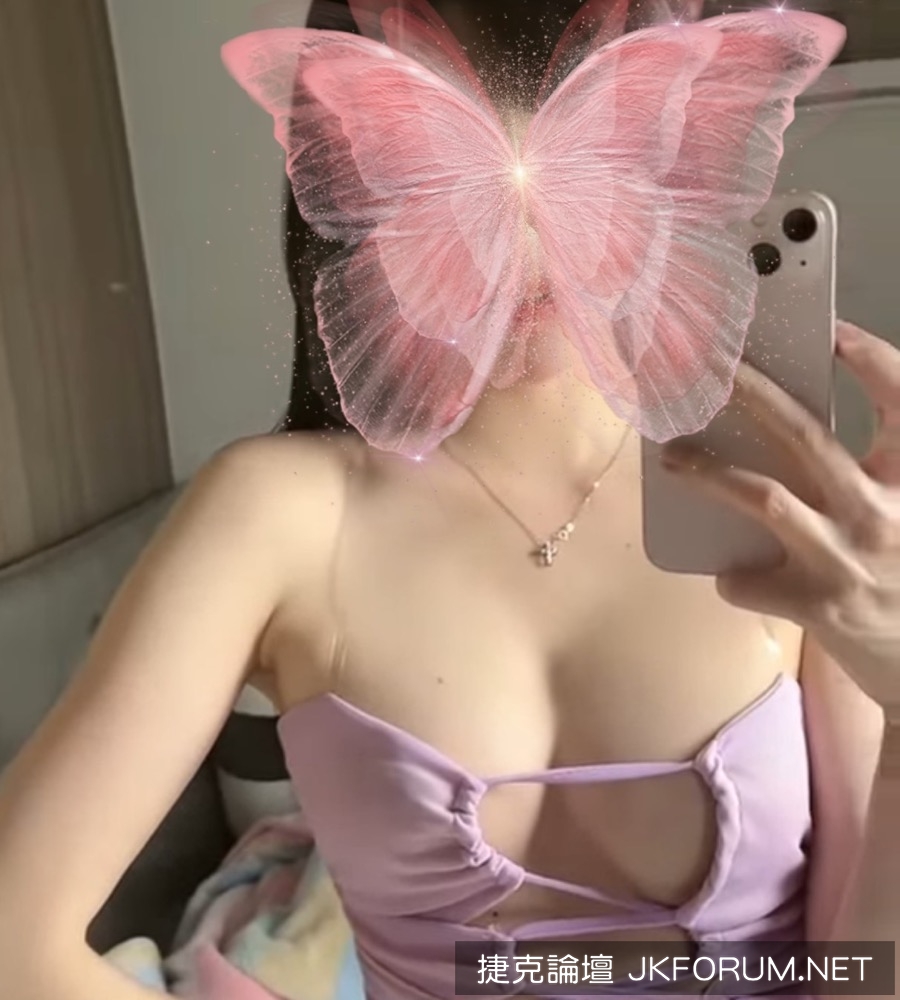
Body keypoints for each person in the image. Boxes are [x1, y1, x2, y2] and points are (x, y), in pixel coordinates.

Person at [1, 2, 899, 999]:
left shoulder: (777, 503)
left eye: (586, 173)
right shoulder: (277, 515)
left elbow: (862, 978)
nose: (526, 240)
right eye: (445, 186)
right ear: (349, 215)